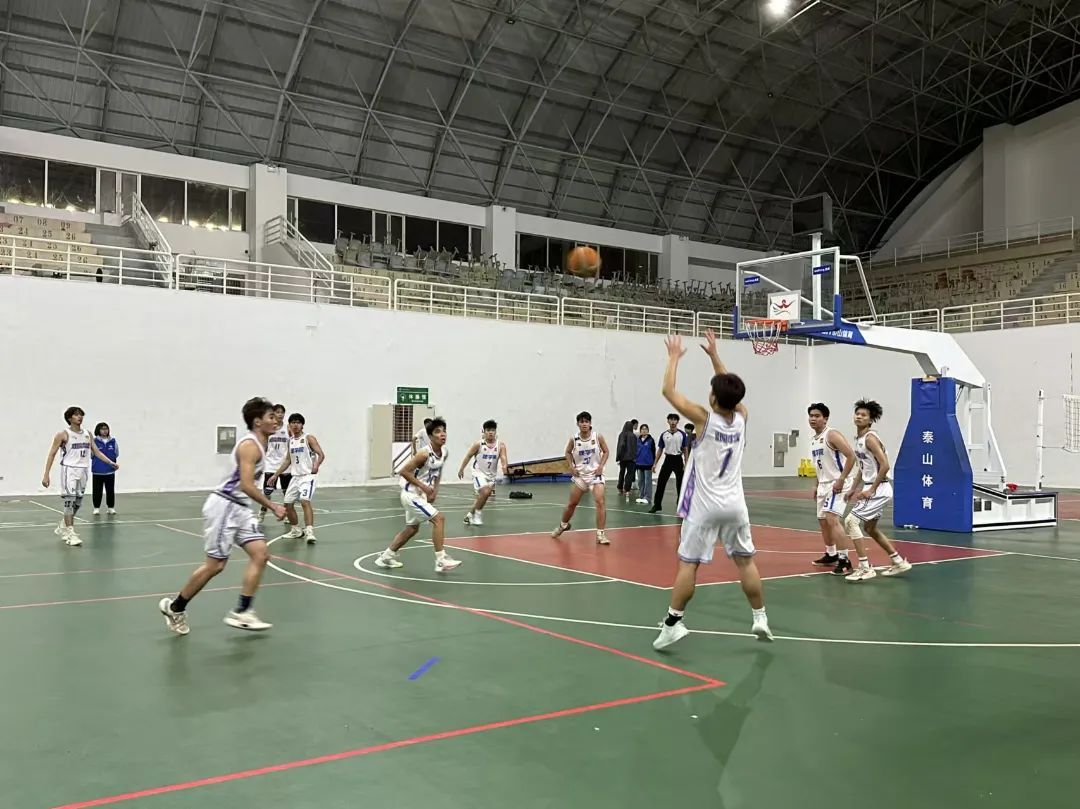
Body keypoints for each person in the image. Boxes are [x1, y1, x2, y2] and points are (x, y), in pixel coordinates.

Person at [653, 330, 772, 650]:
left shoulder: (704, 420)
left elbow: (668, 391)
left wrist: (673, 358)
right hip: (736, 505)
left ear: (715, 399)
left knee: (688, 564)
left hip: (704, 508)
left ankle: (673, 623)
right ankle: (760, 617)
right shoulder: (742, 418)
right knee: (745, 562)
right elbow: (732, 391)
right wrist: (715, 356)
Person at [158, 397, 286, 635]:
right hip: (225, 506)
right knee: (215, 565)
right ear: (257, 422)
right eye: (271, 416)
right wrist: (273, 506)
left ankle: (243, 611)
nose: (277, 419)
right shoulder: (249, 446)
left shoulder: (262, 444)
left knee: (261, 554)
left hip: (240, 508)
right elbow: (246, 485)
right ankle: (175, 607)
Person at [375, 418, 462, 573]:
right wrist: (423, 487)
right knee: (439, 519)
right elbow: (404, 471)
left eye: (444, 431)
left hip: (420, 495)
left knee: (411, 529)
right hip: (411, 495)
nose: (442, 434)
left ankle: (386, 557)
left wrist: (434, 490)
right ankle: (441, 560)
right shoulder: (423, 454)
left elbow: (438, 471)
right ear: (430, 436)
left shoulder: (444, 452)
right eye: (437, 431)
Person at [843, 399, 912, 581]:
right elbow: (862, 467)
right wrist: (853, 488)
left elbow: (885, 465)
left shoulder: (870, 439)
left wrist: (871, 489)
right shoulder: (859, 439)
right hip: (873, 487)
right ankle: (898, 561)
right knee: (870, 528)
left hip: (879, 488)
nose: (859, 417)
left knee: (851, 522)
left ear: (870, 419)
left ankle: (865, 568)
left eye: (863, 415)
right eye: (857, 413)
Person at [42, 406, 119, 547]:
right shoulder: (63, 434)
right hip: (69, 469)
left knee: (77, 503)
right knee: (69, 501)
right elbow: (52, 454)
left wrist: (110, 462)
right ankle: (70, 533)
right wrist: (46, 475)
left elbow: (96, 452)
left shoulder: (87, 434)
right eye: (76, 415)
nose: (79, 417)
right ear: (69, 418)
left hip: (83, 470)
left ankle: (63, 526)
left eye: (81, 414)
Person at [807, 403, 859, 576]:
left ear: (825, 418)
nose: (813, 419)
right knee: (823, 521)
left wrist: (842, 479)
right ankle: (831, 554)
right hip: (824, 484)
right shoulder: (814, 439)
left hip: (838, 484)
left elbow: (851, 456)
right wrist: (816, 484)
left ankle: (845, 561)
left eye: (817, 416)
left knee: (832, 519)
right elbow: (820, 465)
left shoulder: (832, 434)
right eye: (811, 416)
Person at [552, 411, 610, 544]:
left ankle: (600, 534)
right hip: (581, 476)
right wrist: (571, 466)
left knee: (600, 502)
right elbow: (567, 452)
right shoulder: (574, 439)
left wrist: (601, 466)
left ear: (590, 423)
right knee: (572, 504)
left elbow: (606, 451)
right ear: (578, 424)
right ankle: (563, 525)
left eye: (586, 422)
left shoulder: (597, 437)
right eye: (581, 422)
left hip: (595, 475)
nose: (584, 424)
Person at [267, 413, 325, 544]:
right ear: (289, 425)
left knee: (305, 501)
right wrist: (275, 475)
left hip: (307, 476)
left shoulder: (308, 438)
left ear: (302, 425)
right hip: (295, 477)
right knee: (287, 504)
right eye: (293, 422)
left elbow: (321, 454)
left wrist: (316, 465)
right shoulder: (291, 441)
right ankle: (296, 530)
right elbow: (288, 460)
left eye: (298, 422)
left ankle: (309, 531)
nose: (295, 425)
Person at [458, 419, 507, 526]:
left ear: (495, 432)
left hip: (491, 476)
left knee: (483, 497)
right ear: (483, 431)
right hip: (478, 473)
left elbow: (503, 457)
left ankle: (469, 516)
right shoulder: (478, 444)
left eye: (493, 430)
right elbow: (468, 456)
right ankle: (477, 515)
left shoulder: (500, 445)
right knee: (485, 492)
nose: (490, 432)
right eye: (488, 430)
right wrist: (461, 469)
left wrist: (504, 466)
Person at [649, 413, 688, 513]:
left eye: (675, 420)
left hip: (678, 459)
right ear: (668, 421)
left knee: (680, 484)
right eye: (671, 420)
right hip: (668, 460)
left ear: (677, 422)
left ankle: (681, 505)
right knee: (661, 482)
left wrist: (686, 462)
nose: (673, 422)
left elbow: (685, 449)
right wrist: (655, 463)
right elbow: (660, 450)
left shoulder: (682, 434)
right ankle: (657, 505)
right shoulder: (664, 434)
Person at [259, 404, 289, 525]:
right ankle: (262, 512)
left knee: (287, 492)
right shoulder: (268, 428)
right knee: (267, 492)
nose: (280, 414)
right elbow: (264, 444)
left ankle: (286, 514)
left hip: (285, 465)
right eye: (278, 412)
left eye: (282, 412)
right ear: (273, 413)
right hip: (271, 464)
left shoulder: (288, 428)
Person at [91, 422, 120, 515]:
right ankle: (96, 508)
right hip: (97, 471)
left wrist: (111, 463)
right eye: (102, 429)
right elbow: (91, 455)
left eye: (106, 429)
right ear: (98, 430)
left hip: (110, 471)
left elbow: (116, 453)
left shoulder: (113, 441)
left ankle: (111, 507)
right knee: (97, 491)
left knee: (110, 490)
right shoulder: (94, 441)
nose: (105, 431)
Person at [616, 419, 639, 497]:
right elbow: (636, 448)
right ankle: (627, 489)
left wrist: (618, 457)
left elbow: (620, 446)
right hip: (631, 458)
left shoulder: (621, 435)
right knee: (629, 474)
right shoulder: (633, 436)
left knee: (621, 472)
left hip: (622, 458)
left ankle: (620, 488)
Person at [635, 423, 656, 505]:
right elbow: (636, 451)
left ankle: (647, 497)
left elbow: (653, 452)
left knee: (648, 482)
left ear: (648, 431)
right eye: (642, 429)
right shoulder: (638, 440)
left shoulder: (651, 440)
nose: (644, 431)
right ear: (640, 431)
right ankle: (641, 496)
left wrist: (654, 463)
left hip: (648, 464)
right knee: (640, 481)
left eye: (645, 429)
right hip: (639, 463)